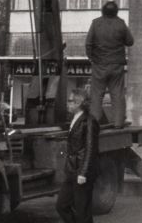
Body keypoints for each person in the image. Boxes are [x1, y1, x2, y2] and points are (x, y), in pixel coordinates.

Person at [85, 0, 134, 127]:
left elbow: (88, 43)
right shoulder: (121, 24)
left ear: (103, 11)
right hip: (116, 65)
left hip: (99, 64)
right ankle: (118, 123)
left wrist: (91, 57)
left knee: (96, 95)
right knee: (118, 95)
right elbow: (130, 41)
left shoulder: (96, 23)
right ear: (116, 11)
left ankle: (94, 125)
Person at [55, 89, 100, 223]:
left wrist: (83, 173)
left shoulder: (89, 121)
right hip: (71, 170)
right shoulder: (74, 118)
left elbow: (90, 149)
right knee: (61, 206)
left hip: (82, 172)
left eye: (70, 101)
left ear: (79, 103)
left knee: (82, 211)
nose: (67, 104)